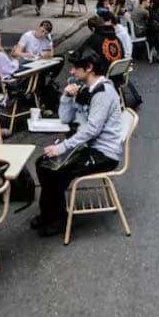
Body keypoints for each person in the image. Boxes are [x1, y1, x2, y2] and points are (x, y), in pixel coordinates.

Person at [32, 50, 125, 237]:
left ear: (89, 68)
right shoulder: (85, 89)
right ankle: (50, 213)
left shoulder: (103, 92)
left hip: (104, 153)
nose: (71, 72)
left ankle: (56, 219)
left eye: (75, 68)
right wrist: (67, 96)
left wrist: (62, 148)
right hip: (89, 146)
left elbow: (92, 130)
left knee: (55, 170)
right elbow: (66, 117)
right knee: (43, 163)